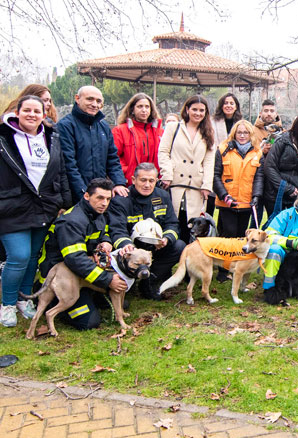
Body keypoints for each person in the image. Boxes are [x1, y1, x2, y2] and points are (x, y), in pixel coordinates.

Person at [0, 95, 71, 327]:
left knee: (32, 256)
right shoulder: (4, 138)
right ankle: (7, 304)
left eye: (37, 111)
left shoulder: (52, 137)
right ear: (17, 112)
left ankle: (24, 300)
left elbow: (59, 170)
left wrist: (62, 200)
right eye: (27, 110)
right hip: (11, 207)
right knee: (18, 256)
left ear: (44, 114)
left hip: (43, 206)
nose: (32, 115)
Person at [37, 178, 128, 330]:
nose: (104, 203)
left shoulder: (97, 212)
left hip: (80, 275)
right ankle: (54, 304)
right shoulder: (71, 221)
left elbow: (102, 232)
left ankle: (88, 294)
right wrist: (107, 279)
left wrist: (106, 241)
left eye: (108, 199)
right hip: (58, 278)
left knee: (122, 302)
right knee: (89, 322)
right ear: (86, 196)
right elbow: (75, 260)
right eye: (100, 198)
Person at [108, 163, 186, 299]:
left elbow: (172, 224)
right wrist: (127, 246)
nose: (147, 185)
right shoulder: (121, 200)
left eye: (151, 181)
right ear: (133, 180)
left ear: (157, 181)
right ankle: (128, 280)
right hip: (131, 248)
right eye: (143, 180)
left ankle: (149, 281)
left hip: (156, 245)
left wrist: (166, 239)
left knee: (179, 246)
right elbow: (117, 230)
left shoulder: (163, 196)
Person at [158, 95, 216, 242]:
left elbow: (209, 161)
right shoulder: (174, 127)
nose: (198, 113)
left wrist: (207, 185)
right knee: (173, 219)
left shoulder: (208, 132)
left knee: (191, 222)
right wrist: (167, 173)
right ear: (187, 110)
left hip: (196, 185)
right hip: (175, 182)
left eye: (201, 110)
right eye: (194, 109)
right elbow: (163, 151)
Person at [56, 86, 128, 199]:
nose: (94, 104)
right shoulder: (66, 126)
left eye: (99, 101)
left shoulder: (103, 127)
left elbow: (112, 158)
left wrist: (119, 182)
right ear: (77, 98)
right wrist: (83, 193)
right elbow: (69, 164)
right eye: (90, 99)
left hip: (100, 194)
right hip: (76, 194)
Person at [213, 119, 265, 239]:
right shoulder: (222, 150)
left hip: (246, 202)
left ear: (250, 134)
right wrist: (224, 196)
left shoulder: (257, 153)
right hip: (227, 202)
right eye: (239, 132)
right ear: (234, 134)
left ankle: (238, 258)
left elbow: (259, 178)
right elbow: (216, 176)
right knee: (228, 234)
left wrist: (256, 196)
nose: (242, 135)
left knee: (242, 235)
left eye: (245, 133)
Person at [263, 114, 298, 219]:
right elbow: (269, 166)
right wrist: (287, 188)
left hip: (297, 195)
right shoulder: (282, 141)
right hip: (275, 193)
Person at [111, 93, 164, 185]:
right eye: (140, 106)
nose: (144, 110)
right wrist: (127, 171)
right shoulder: (120, 130)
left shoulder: (160, 132)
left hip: (154, 183)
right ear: (132, 109)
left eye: (147, 107)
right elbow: (114, 156)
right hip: (130, 183)